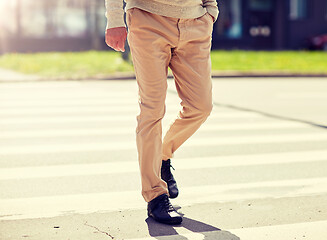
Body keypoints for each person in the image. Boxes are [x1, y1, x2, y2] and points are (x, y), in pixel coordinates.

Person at [105, 0, 219, 225]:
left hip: (196, 22)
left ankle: (163, 154)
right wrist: (115, 19)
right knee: (152, 109)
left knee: (200, 107)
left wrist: (210, 11)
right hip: (148, 19)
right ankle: (155, 195)